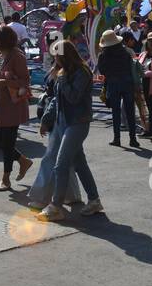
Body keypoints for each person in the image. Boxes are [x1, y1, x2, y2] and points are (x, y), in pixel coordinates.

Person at [37, 41, 103, 221]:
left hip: (78, 122)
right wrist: (46, 119)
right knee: (80, 164)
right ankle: (94, 200)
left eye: (57, 56)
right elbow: (56, 100)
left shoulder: (81, 72)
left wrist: (63, 79)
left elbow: (73, 97)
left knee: (61, 164)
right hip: (63, 122)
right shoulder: (61, 72)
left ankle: (56, 206)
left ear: (65, 56)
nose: (54, 59)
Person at [0, 24, 34, 189]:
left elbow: (25, 81)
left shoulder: (17, 56)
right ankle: (23, 161)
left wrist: (6, 82)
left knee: (8, 141)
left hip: (13, 105)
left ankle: (5, 178)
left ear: (3, 40)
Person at [96, 29, 137, 147]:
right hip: (127, 82)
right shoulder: (125, 52)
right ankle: (133, 138)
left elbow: (102, 71)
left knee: (116, 112)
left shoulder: (103, 55)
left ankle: (117, 138)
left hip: (113, 84)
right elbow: (130, 67)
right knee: (130, 111)